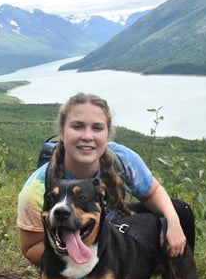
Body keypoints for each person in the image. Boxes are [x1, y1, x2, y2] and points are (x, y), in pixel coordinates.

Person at [17, 92, 188, 266]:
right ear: (62, 132)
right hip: (67, 250)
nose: (87, 136)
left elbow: (152, 192)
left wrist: (172, 221)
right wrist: (78, 248)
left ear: (107, 134)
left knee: (178, 210)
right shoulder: (38, 188)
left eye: (97, 128)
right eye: (77, 126)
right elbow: (31, 249)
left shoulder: (122, 158)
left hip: (108, 231)